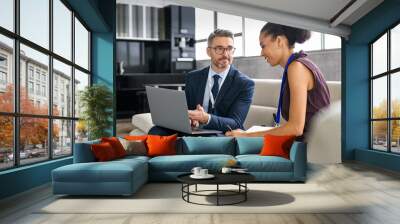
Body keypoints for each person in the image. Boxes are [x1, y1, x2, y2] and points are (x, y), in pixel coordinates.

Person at [226, 23, 330, 141]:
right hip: (307, 145)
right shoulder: (296, 65)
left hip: (312, 149)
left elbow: (295, 128)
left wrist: (245, 135)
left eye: (263, 46)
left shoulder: (296, 68)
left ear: (279, 41)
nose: (261, 53)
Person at [149, 29, 254, 136]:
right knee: (156, 131)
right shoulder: (193, 77)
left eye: (230, 48)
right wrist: (190, 119)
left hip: (221, 132)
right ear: (208, 51)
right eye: (219, 48)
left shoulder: (244, 83)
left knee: (207, 139)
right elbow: (187, 109)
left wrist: (206, 118)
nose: (226, 54)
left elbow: (236, 123)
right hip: (194, 128)